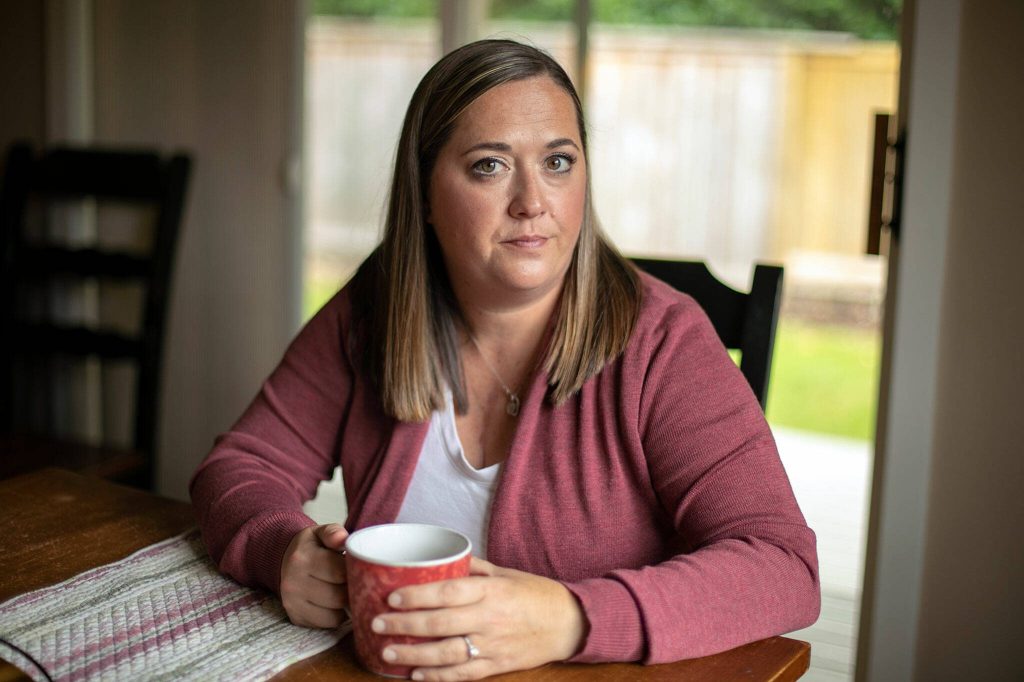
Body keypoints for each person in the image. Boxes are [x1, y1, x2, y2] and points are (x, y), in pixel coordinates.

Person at [190, 39, 819, 681]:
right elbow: (242, 464)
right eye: (490, 166)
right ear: (426, 194)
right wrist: (281, 550)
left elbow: (782, 566)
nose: (532, 201)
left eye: (558, 161)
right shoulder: (375, 307)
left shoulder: (663, 340)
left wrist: (571, 617)